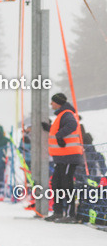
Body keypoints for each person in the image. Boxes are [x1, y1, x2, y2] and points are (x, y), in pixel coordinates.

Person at [42, 92, 83, 221]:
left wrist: (59, 135)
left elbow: (72, 125)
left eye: (52, 102)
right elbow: (61, 129)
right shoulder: (62, 115)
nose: (51, 104)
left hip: (69, 156)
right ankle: (58, 212)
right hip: (62, 156)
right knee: (56, 183)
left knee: (67, 184)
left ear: (58, 103)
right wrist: (50, 128)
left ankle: (71, 215)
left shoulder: (67, 114)